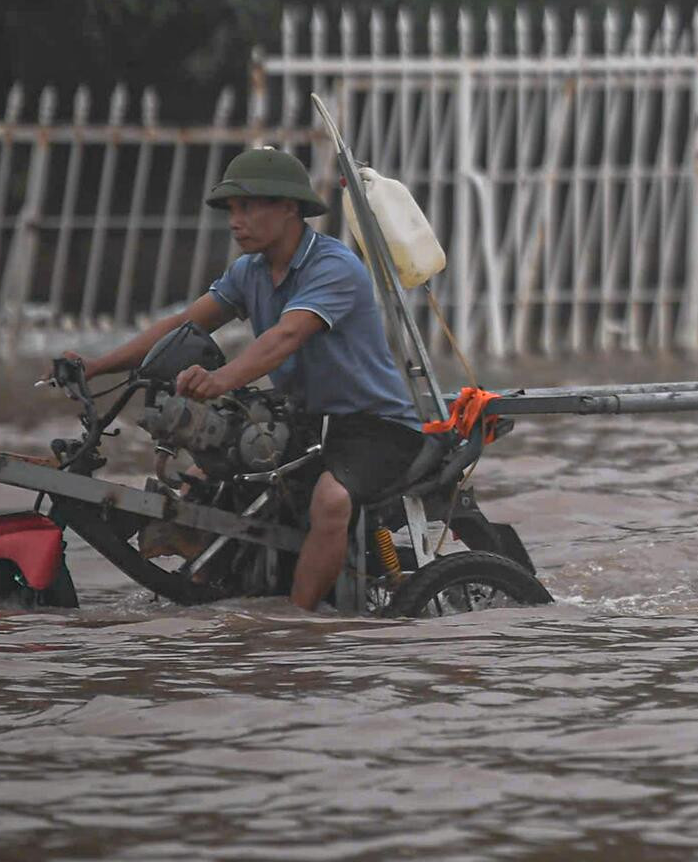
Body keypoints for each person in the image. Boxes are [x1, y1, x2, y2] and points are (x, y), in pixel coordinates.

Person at [57, 147, 427, 610]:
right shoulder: (248, 271)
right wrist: (96, 366)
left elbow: (285, 336)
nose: (236, 220)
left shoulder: (334, 267)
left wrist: (222, 380)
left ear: (290, 208)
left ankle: (296, 627)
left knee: (331, 501)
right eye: (231, 209)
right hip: (304, 420)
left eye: (248, 206)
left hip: (375, 427)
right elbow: (182, 326)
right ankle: (215, 596)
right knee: (199, 480)